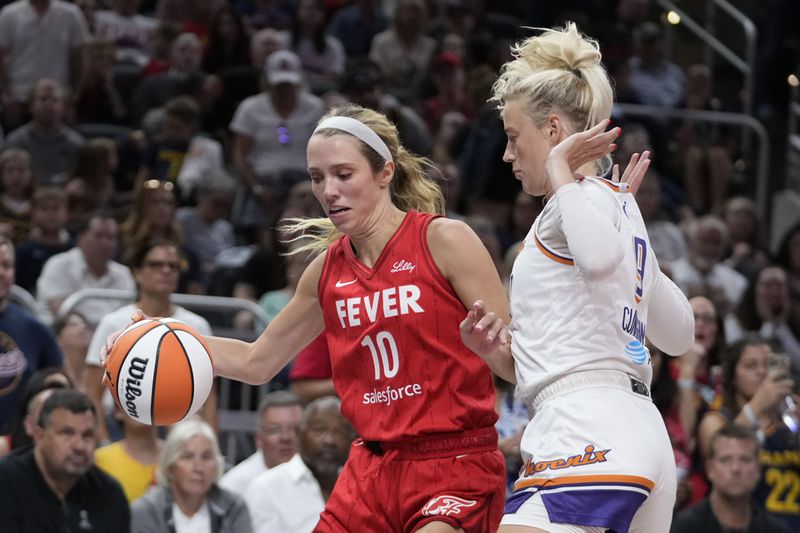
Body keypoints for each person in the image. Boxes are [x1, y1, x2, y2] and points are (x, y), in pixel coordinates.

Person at [108, 103, 513, 531]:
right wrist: (157, 335)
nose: (328, 191)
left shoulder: (446, 240)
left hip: (454, 461)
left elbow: (514, 360)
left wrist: (492, 351)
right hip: (371, 468)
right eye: (318, 178)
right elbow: (257, 362)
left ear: (384, 172)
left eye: (343, 174)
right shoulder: (326, 271)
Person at [476, 23, 694, 533]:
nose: (507, 154)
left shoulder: (575, 201)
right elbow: (678, 333)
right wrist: (498, 357)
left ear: (553, 130)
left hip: (586, 431)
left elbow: (597, 264)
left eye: (513, 138)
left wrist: (559, 169)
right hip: (642, 437)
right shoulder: (616, 205)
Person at [84, 239, 215, 443]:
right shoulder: (113, 323)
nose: (166, 271)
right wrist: (102, 442)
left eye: (173, 266)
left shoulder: (197, 325)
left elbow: (209, 396)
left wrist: (210, 442)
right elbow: (92, 390)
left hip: (180, 424)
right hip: (122, 422)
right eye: (156, 265)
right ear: (137, 273)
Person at [696, 335, 800, 530]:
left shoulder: (791, 420)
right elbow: (717, 452)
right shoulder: (716, 420)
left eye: (769, 364)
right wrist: (758, 405)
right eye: (751, 365)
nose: (762, 372)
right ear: (733, 376)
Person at [0, 389, 130, 532]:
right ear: (39, 435)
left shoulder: (109, 494)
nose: (79, 446)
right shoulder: (7, 481)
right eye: (67, 433)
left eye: (87, 435)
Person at [245, 396, 354, 533]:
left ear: (352, 439)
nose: (329, 440)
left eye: (340, 432)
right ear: (299, 433)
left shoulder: (357, 487)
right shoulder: (266, 487)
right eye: (319, 430)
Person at [131, 418, 252, 533]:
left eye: (206, 457)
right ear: (170, 466)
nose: (198, 468)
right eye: (187, 457)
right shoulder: (147, 511)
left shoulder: (233, 508)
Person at [670, 424, 791, 533]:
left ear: (758, 469)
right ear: (710, 469)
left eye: (745, 459)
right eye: (725, 460)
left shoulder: (775, 530)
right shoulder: (686, 527)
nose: (735, 469)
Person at [0, 236, 63, 430]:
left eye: (7, 265)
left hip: (18, 447)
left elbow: (60, 385)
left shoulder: (34, 329)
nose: (1, 272)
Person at [36, 209, 136, 326]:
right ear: (81, 238)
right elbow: (62, 311)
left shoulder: (123, 273)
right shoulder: (59, 265)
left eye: (110, 238)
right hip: (63, 333)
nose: (105, 243)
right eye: (98, 236)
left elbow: (129, 315)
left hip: (112, 336)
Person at [219, 390, 303, 496]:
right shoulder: (233, 486)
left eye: (295, 429)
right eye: (274, 430)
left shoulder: (322, 476)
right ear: (258, 438)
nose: (285, 437)